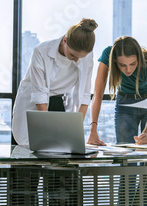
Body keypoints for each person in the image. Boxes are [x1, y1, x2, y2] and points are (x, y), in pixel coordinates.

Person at [12, 18, 98, 146]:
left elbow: (85, 96)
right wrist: (48, 135)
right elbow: (40, 97)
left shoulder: (86, 56)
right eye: (73, 55)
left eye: (80, 57)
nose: (76, 60)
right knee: (32, 149)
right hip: (34, 103)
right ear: (65, 40)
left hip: (59, 101)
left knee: (62, 149)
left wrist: (76, 132)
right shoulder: (41, 51)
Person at [87, 36, 147, 146]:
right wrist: (92, 130)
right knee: (124, 152)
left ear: (139, 58)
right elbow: (98, 95)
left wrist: (146, 134)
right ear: (114, 61)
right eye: (122, 65)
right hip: (125, 102)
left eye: (133, 64)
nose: (128, 70)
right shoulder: (108, 54)